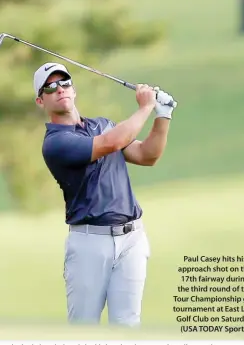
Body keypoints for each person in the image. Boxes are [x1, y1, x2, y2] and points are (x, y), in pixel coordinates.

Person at [33, 62, 177, 326]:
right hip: (89, 243)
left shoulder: (103, 125)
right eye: (50, 87)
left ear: (73, 90)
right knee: (83, 329)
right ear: (41, 100)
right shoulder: (55, 143)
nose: (60, 89)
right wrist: (145, 106)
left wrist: (162, 115)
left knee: (127, 326)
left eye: (64, 83)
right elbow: (110, 143)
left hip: (132, 239)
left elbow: (147, 155)